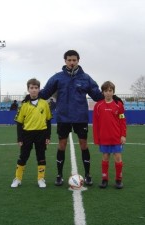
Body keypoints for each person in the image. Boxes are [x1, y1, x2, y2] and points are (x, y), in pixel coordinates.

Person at [38, 50, 105, 186]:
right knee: (62, 145)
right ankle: (59, 175)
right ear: (65, 61)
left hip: (80, 117)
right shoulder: (57, 77)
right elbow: (44, 93)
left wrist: (111, 95)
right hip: (63, 117)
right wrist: (32, 94)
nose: (72, 62)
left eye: (74, 60)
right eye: (69, 60)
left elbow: (97, 96)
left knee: (83, 145)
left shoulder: (86, 78)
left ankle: (87, 175)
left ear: (78, 61)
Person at [11, 78, 52, 188]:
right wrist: (19, 138)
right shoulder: (23, 105)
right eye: (31, 88)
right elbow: (19, 123)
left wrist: (48, 136)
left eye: (36, 88)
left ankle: (41, 179)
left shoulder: (44, 103)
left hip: (41, 133)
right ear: (28, 89)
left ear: (39, 89)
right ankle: (18, 178)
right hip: (27, 134)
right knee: (23, 156)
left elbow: (48, 121)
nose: (34, 90)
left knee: (41, 156)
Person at [93, 81, 127, 189]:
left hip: (116, 137)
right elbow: (96, 124)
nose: (108, 93)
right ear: (102, 92)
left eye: (110, 91)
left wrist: (123, 135)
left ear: (113, 92)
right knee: (105, 157)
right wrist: (96, 138)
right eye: (106, 91)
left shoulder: (119, 105)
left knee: (117, 157)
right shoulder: (98, 106)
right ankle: (104, 179)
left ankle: (118, 179)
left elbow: (122, 121)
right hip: (104, 137)